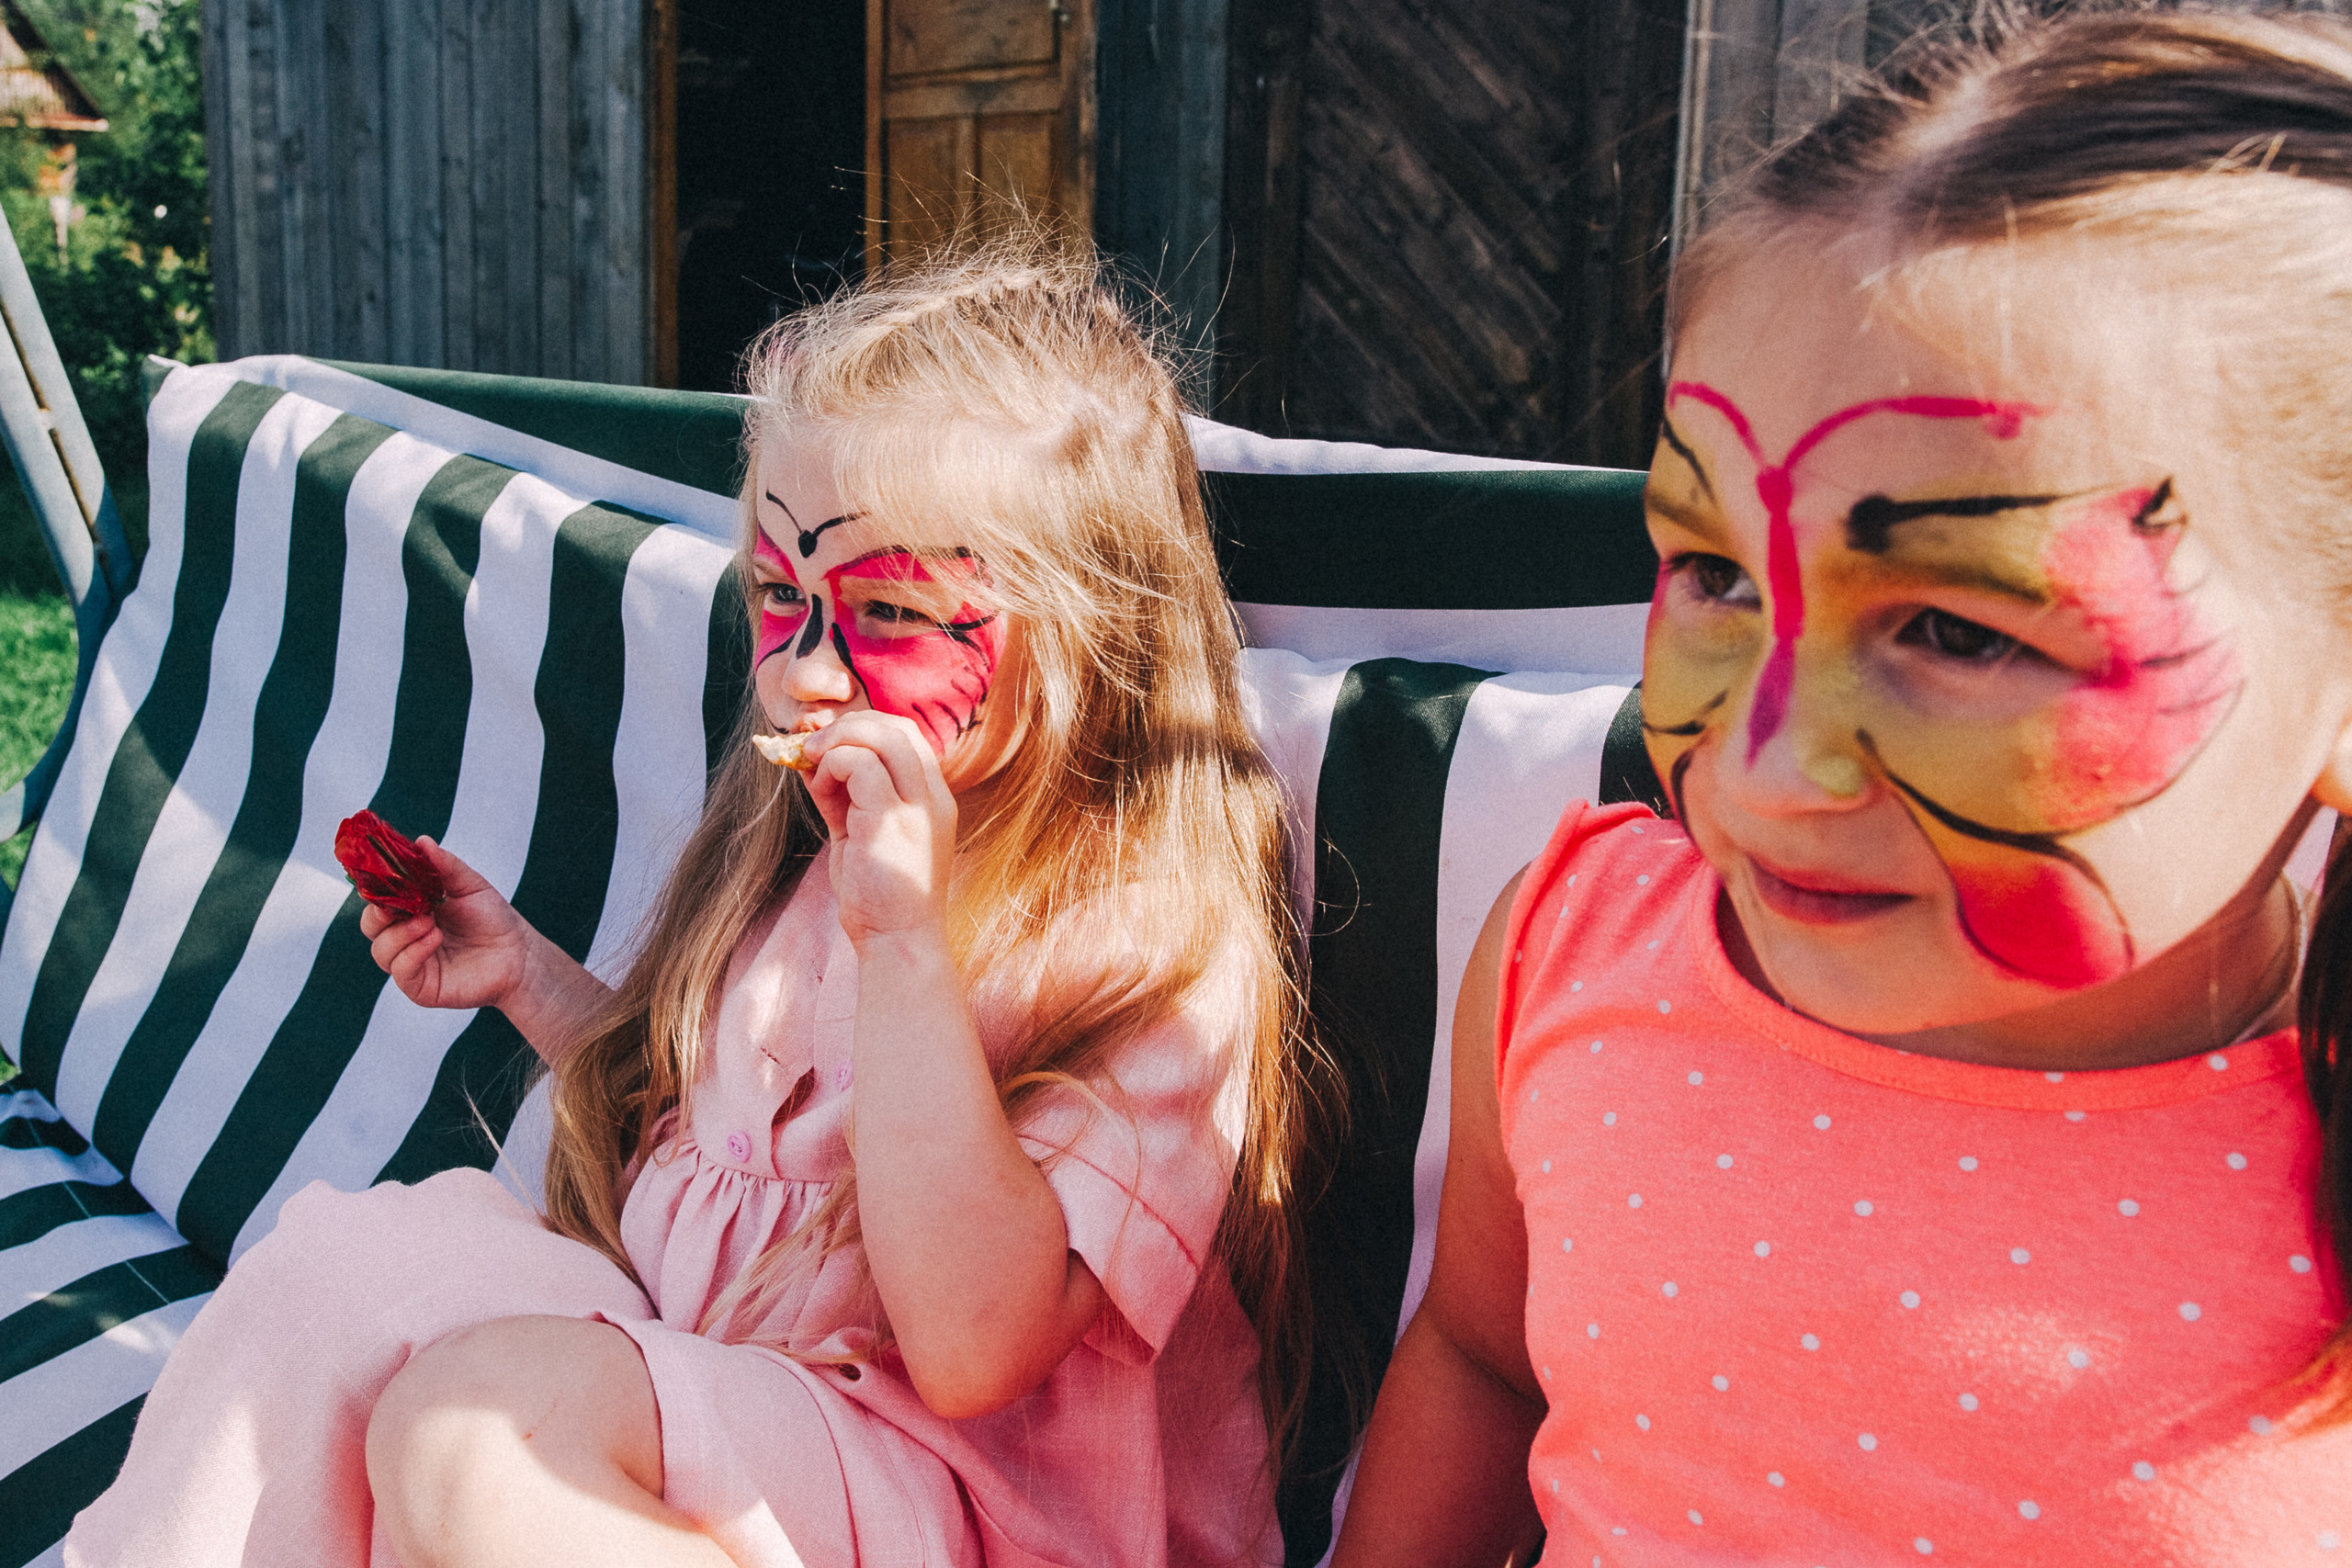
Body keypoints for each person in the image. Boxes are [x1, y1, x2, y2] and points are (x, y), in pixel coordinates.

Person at [68, 241, 1313, 1568]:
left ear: (1090, 632)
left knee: (471, 1435)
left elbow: (971, 1351)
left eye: (888, 607)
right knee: (352, 1268)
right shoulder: (804, 872)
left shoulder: (1139, 953)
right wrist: (533, 984)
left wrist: (905, 946)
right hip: (735, 1408)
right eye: (783, 596)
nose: (811, 672)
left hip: (970, 1510)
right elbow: (718, 1152)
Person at [1333, 10, 2352, 1563]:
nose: (1762, 769)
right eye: (1718, 577)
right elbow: (1482, 1361)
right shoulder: (1574, 957)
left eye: (1959, 627)